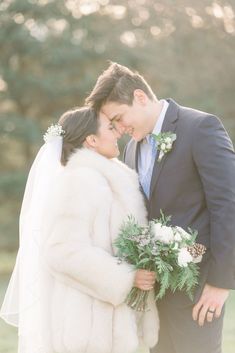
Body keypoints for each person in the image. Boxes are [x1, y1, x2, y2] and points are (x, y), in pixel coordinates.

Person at [85, 62, 235, 353]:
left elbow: (229, 205)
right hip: (154, 296)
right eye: (113, 125)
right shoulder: (131, 148)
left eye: (119, 117)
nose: (119, 129)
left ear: (140, 97)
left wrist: (220, 284)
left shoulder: (200, 127)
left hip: (198, 292)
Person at [0, 107, 159, 353]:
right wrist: (127, 277)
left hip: (112, 327)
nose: (118, 132)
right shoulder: (78, 181)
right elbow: (62, 251)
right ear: (92, 140)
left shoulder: (112, 179)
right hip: (85, 331)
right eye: (110, 127)